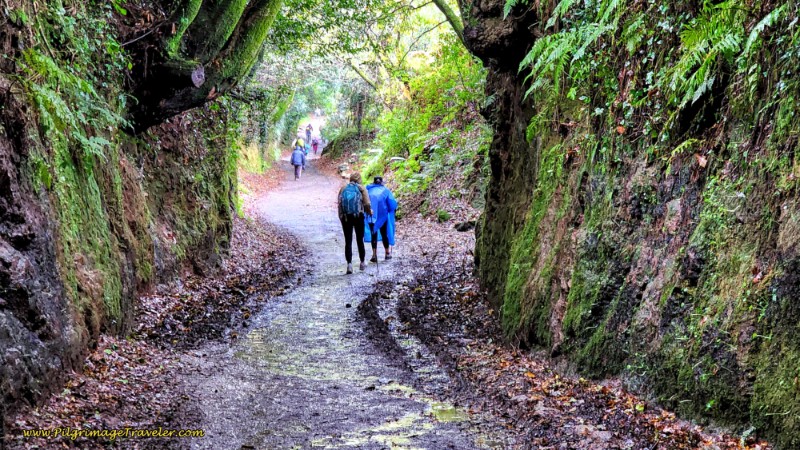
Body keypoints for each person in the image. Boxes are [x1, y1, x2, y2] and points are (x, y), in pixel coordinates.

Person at [338, 173, 372, 274]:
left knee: (348, 241)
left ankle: (349, 265)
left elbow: (339, 204)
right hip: (358, 217)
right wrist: (369, 212)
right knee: (359, 239)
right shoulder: (362, 188)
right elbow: (367, 203)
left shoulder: (343, 188)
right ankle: (362, 262)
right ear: (359, 180)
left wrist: (341, 217)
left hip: (346, 218)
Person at [364, 176, 398, 262]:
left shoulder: (368, 190)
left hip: (371, 216)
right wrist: (392, 211)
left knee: (373, 235)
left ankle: (374, 255)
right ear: (381, 182)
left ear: (374, 182)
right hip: (383, 216)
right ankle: (387, 253)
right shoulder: (385, 191)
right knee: (384, 234)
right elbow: (392, 204)